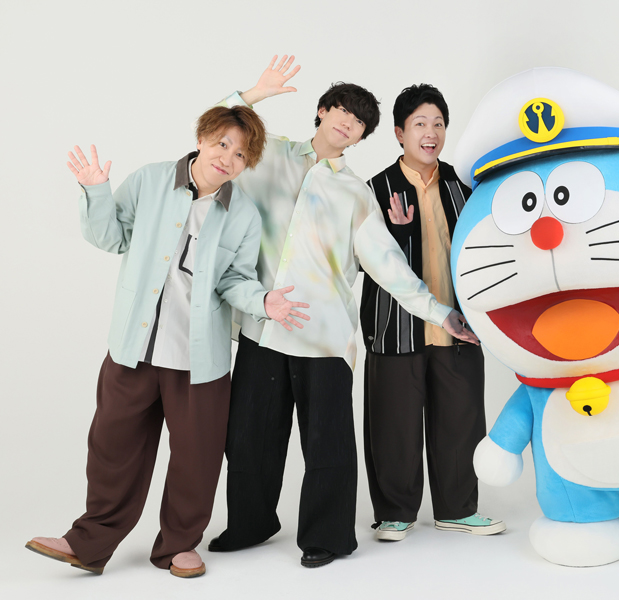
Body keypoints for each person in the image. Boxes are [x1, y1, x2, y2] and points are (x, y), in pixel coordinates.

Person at [206, 56, 479, 568]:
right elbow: (215, 135)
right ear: (321, 111)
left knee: (328, 445)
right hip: (263, 326)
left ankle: (326, 538)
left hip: (325, 336)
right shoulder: (265, 156)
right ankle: (250, 523)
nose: (348, 122)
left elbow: (388, 265)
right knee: (248, 438)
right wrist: (254, 94)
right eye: (341, 111)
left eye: (358, 122)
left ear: (362, 137)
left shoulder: (355, 193)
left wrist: (440, 313)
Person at [26, 105, 310, 578]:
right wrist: (96, 190)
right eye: (222, 144)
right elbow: (111, 237)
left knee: (197, 458)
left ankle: (179, 545)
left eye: (241, 154)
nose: (228, 158)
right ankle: (89, 543)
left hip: (199, 358)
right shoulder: (151, 180)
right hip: (133, 349)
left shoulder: (243, 213)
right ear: (202, 139)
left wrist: (264, 301)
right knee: (112, 449)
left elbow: (235, 280)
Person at [359, 84, 505, 541]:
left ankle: (457, 509)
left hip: (459, 328)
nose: (431, 133)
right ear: (399, 133)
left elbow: (487, 250)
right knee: (394, 426)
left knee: (461, 421)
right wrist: (400, 233)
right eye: (420, 124)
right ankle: (394, 512)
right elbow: (366, 262)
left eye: (438, 124)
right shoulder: (373, 190)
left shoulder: (465, 188)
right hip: (394, 328)